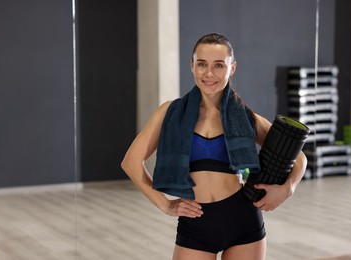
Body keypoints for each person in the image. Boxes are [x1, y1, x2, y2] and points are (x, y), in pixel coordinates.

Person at [121, 33, 307, 260]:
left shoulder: (247, 117)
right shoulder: (169, 113)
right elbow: (131, 162)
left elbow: (299, 158)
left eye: (219, 65)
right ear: (192, 66)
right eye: (202, 64)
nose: (209, 73)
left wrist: (287, 189)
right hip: (195, 223)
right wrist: (165, 205)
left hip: (243, 220)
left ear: (232, 68)